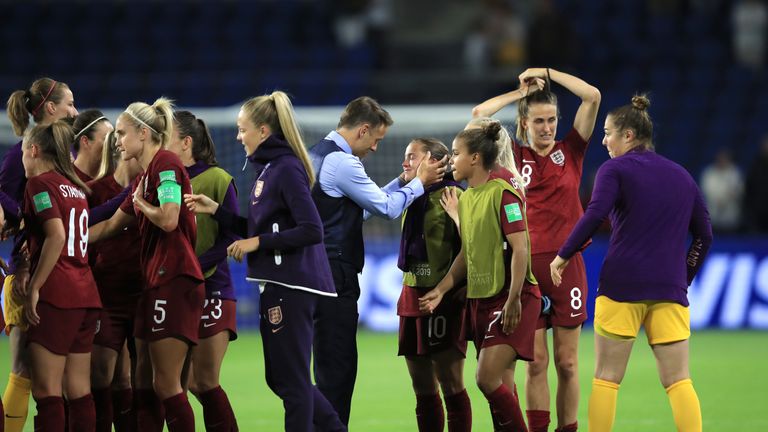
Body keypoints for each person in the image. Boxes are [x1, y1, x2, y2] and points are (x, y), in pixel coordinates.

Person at [184, 91, 346, 432]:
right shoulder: (269, 169)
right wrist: (218, 213)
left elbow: (311, 229)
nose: (238, 136)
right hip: (278, 285)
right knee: (282, 379)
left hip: (293, 286)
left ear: (263, 130)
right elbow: (261, 229)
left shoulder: (286, 168)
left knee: (294, 383)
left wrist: (257, 241)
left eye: (243, 129)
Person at [550, 95, 713, 432]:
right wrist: (683, 278)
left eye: (608, 133)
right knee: (679, 381)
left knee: (607, 379)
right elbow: (704, 236)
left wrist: (563, 254)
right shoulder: (681, 175)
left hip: (622, 285)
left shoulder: (614, 169)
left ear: (628, 135)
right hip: (669, 290)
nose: (604, 140)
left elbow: (595, 214)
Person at [472, 67, 600, 432]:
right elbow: (480, 115)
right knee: (537, 362)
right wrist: (519, 93)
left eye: (552, 119)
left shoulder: (572, 151)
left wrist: (547, 73)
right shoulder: (511, 156)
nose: (547, 127)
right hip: (525, 270)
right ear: (524, 124)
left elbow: (591, 95)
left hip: (567, 266)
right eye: (539, 121)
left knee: (568, 362)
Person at [307, 96, 445, 425]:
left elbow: (361, 209)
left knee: (326, 364)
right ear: (364, 129)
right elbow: (386, 208)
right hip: (335, 273)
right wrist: (419, 184)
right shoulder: (343, 162)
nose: (375, 149)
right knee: (338, 368)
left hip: (315, 271)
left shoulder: (316, 152)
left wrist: (401, 182)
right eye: (376, 140)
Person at [89, 98, 204, 432]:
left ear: (143, 133)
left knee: (167, 386)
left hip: (175, 280)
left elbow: (168, 220)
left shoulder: (165, 164)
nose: (118, 141)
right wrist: (68, 238)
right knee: (145, 383)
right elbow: (110, 226)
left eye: (123, 133)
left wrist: (141, 202)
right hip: (156, 283)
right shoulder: (146, 177)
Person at [419, 122, 541, 432]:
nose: (451, 161)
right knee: (499, 385)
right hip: (482, 299)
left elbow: (521, 249)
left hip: (513, 296)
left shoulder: (504, 193)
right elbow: (467, 254)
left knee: (485, 378)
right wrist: (443, 289)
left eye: (456, 154)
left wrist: (514, 300)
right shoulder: (468, 198)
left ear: (475, 158)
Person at [2, 77, 78, 432]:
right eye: (69, 104)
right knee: (23, 369)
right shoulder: (23, 155)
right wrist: (18, 224)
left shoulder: (62, 155)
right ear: (50, 108)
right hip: (28, 271)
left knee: (53, 375)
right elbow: (6, 200)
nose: (74, 111)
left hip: (58, 274)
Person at [18, 121, 101, 431]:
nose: (22, 161)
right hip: (86, 294)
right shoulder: (75, 188)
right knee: (79, 390)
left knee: (47, 390)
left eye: (24, 153)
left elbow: (56, 235)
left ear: (34, 150)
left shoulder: (39, 184)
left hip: (58, 295)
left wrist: (35, 287)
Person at [167, 110, 239, 431]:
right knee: (174, 386)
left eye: (165, 136)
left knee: (203, 382)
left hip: (212, 289)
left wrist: (195, 266)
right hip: (173, 291)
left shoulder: (218, 179)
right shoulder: (163, 179)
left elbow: (232, 235)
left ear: (185, 143)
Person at [395, 138, 470, 432]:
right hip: (411, 293)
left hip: (444, 298)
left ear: (434, 162)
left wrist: (454, 289)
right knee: (421, 386)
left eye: (412, 157)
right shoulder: (409, 194)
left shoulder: (455, 195)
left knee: (451, 384)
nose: (405, 163)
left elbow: (473, 248)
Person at [86, 129, 143, 432]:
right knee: (100, 376)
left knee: (133, 379)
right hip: (106, 293)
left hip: (141, 293)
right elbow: (85, 237)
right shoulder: (95, 189)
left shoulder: (150, 185)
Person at [73, 109, 114, 182]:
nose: (113, 144)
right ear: (85, 141)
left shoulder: (114, 181)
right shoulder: (63, 179)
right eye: (107, 139)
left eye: (113, 138)